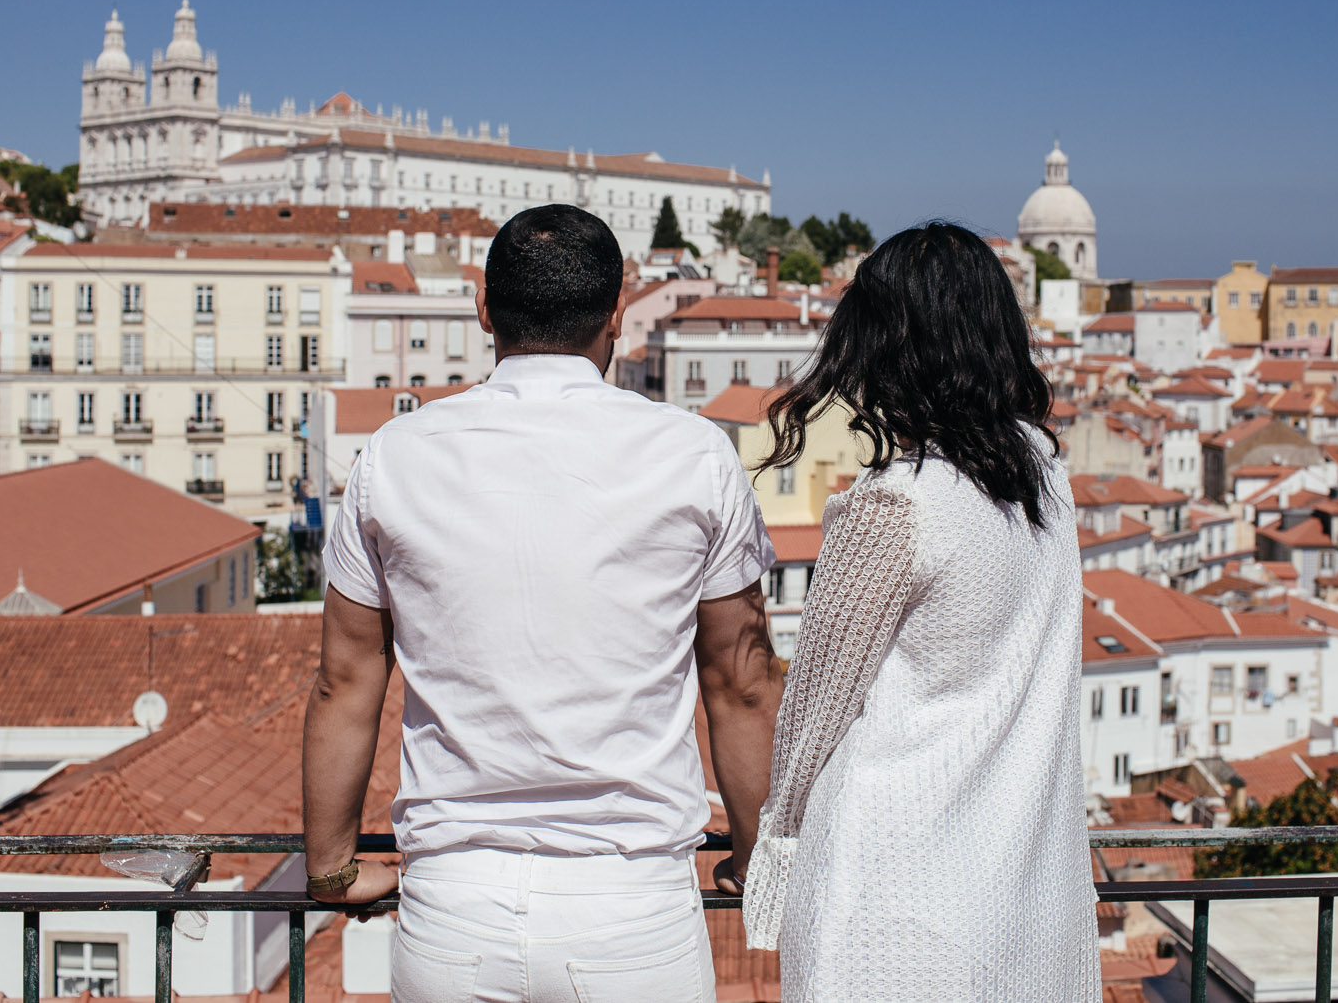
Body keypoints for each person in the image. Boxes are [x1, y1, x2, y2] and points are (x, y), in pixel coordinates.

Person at [303, 203, 784, 1003]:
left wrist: (329, 868)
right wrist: (755, 854)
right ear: (618, 320)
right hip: (634, 911)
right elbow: (741, 682)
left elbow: (345, 682)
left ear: (483, 309)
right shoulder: (695, 454)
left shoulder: (394, 456)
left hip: (452, 911)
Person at [741, 222, 1102, 1002]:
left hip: (885, 902)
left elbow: (816, 707)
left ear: (884, 346)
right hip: (1030, 904)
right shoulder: (1044, 476)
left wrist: (770, 854)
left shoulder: (894, 503)